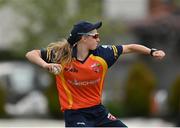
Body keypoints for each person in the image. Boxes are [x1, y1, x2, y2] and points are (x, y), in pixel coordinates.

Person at [26, 21, 165, 127]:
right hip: (75, 114)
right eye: (95, 35)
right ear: (83, 38)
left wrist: (152, 51)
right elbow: (31, 54)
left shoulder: (103, 54)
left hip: (98, 111)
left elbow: (129, 47)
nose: (98, 39)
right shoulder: (61, 55)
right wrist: (46, 65)